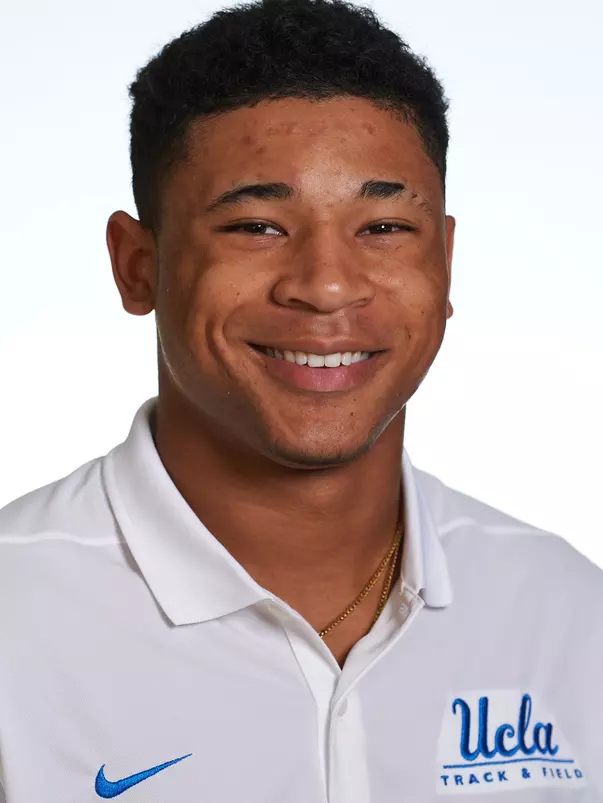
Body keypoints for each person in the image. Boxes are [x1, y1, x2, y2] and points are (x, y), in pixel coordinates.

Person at [1, 0, 602, 800]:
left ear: (446, 263)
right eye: (256, 226)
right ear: (137, 265)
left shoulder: (565, 612)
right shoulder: (17, 619)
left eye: (383, 227)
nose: (325, 286)